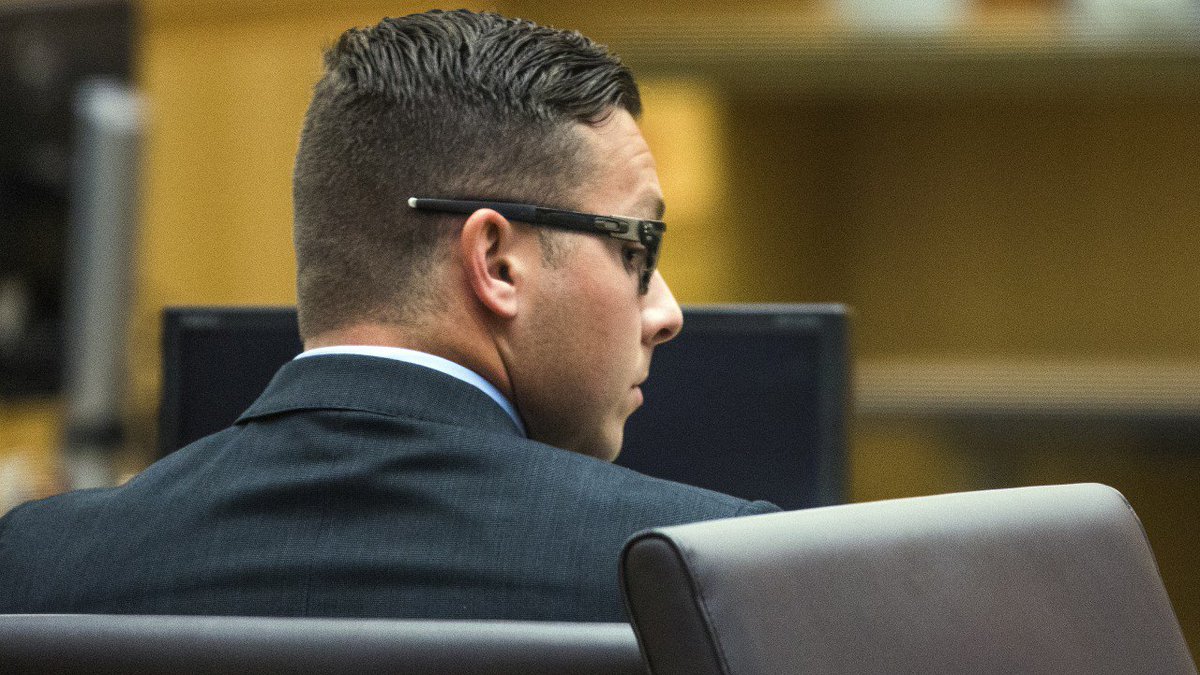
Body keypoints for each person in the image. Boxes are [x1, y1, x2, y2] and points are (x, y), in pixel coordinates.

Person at [0, 9, 778, 622]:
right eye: (637, 247)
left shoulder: (39, 565)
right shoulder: (704, 572)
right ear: (497, 263)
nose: (666, 311)